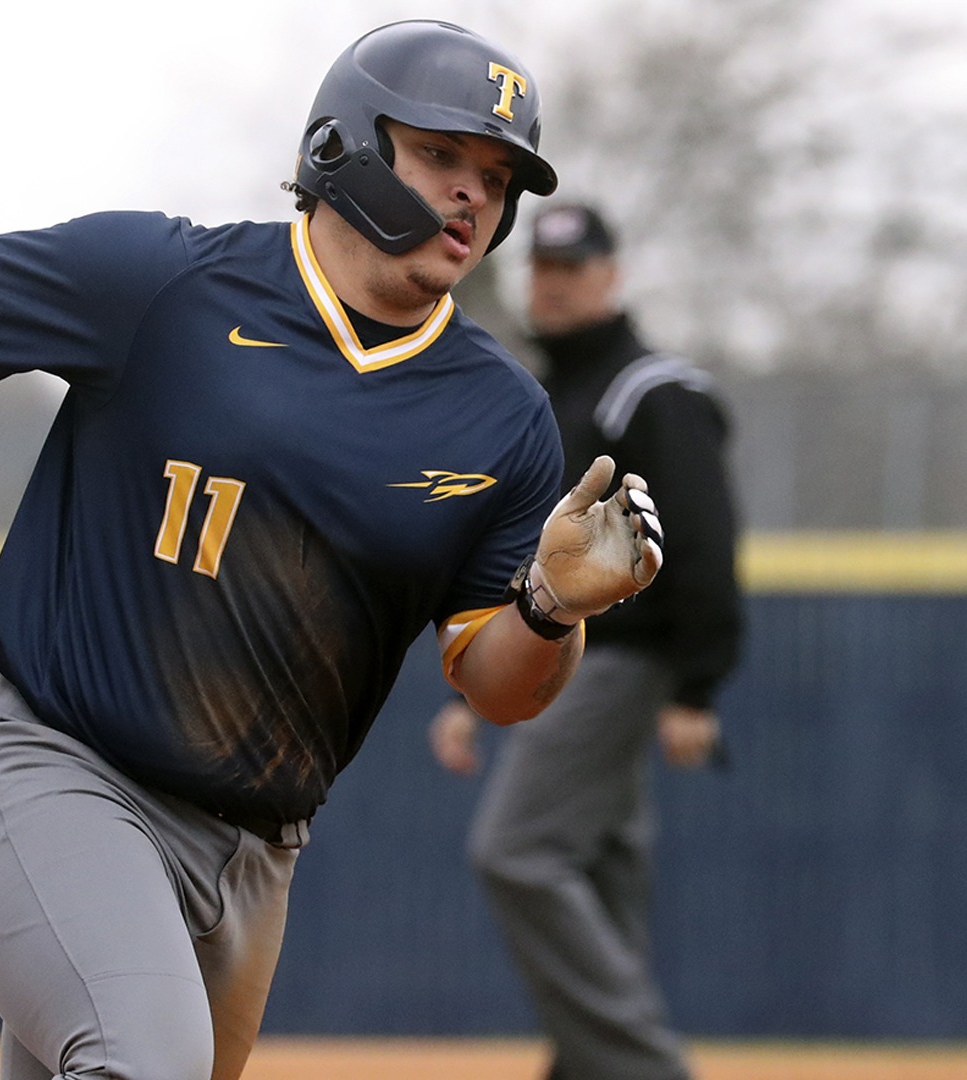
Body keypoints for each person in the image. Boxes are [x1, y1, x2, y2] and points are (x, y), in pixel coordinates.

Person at [0, 22, 664, 1080]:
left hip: (258, 857)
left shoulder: (500, 416)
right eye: (439, 153)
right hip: (57, 775)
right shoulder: (165, 281)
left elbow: (501, 690)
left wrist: (548, 606)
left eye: (495, 176)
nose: (471, 195)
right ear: (344, 144)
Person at [428, 201, 743, 1080]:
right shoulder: (547, 396)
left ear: (611, 275)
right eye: (542, 267)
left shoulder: (651, 391)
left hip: (622, 662)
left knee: (517, 851)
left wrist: (696, 689)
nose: (552, 284)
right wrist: (474, 690)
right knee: (603, 878)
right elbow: (517, 559)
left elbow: (708, 550)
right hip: (552, 658)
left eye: (572, 268)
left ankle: (643, 1067)